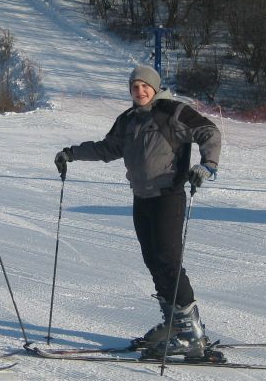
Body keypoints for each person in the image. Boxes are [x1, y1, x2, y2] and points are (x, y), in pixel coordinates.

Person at [54, 65, 222, 361]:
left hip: (168, 196)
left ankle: (191, 334)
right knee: (154, 262)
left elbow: (209, 131)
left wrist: (207, 165)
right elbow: (107, 148)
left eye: (145, 86)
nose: (140, 91)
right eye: (135, 87)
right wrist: (72, 153)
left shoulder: (173, 112)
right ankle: (173, 325)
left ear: (155, 88)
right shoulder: (129, 119)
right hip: (141, 198)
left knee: (169, 263)